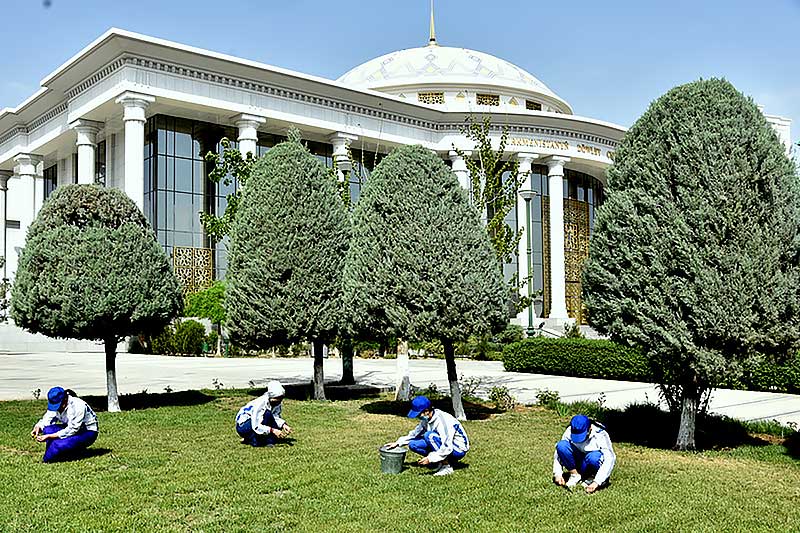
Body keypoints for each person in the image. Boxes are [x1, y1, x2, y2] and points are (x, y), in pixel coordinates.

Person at [384, 395, 469, 477]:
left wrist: (430, 458)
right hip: (441, 443)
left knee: (429, 436)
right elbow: (415, 434)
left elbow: (447, 446)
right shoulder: (427, 419)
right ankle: (439, 461)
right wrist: (398, 443)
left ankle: (446, 467)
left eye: (419, 414)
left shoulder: (443, 421)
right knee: (413, 444)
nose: (418, 417)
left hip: (458, 449)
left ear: (427, 411)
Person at [30, 387, 99, 463]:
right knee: (47, 429)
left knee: (58, 444)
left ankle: (51, 457)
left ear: (65, 400)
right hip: (69, 428)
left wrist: (50, 436)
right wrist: (38, 427)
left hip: (87, 431)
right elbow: (47, 419)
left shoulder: (77, 406)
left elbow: (73, 429)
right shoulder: (56, 403)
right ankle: (68, 450)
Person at [553, 414, 616, 493]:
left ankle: (592, 477)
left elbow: (610, 458)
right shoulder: (570, 430)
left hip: (592, 462)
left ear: (590, 428)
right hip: (578, 461)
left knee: (594, 457)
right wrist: (558, 474)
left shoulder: (600, 434)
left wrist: (597, 482)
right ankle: (575, 475)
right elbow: (559, 452)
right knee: (561, 445)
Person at [235, 380, 292, 447]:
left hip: (256, 423)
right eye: (277, 399)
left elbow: (275, 417)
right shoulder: (261, 404)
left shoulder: (276, 403)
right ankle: (252, 439)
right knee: (267, 414)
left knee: (274, 425)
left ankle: (261, 439)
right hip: (244, 425)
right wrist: (272, 430)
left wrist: (283, 425)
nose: (279, 402)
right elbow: (256, 425)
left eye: (281, 399)